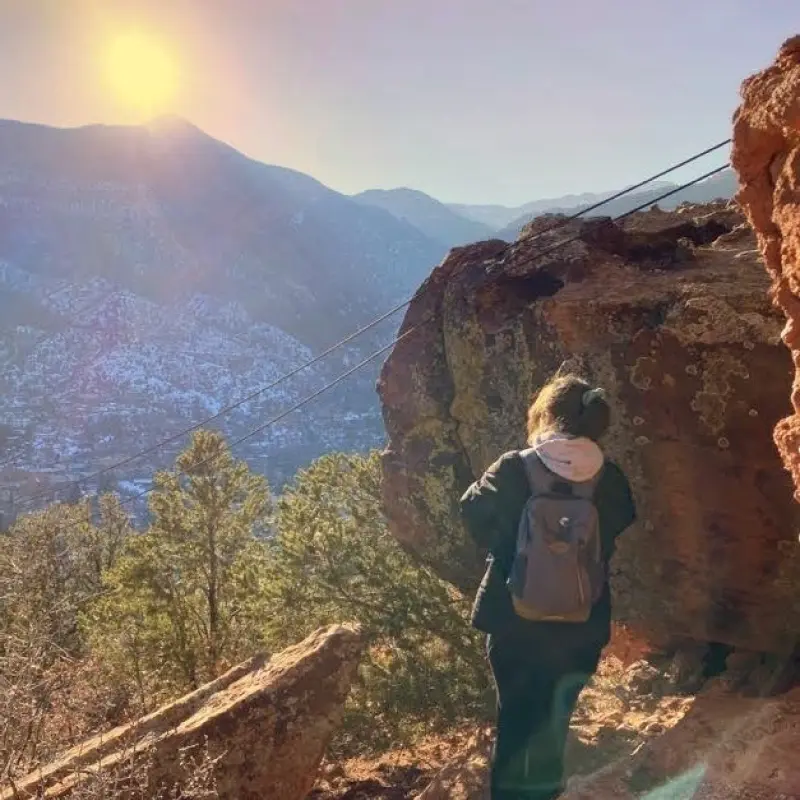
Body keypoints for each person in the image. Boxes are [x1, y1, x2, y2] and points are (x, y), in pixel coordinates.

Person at [459, 373, 636, 800]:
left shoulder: (514, 467)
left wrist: (511, 548)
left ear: (547, 413)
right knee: (554, 724)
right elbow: (621, 521)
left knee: (514, 723)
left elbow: (471, 511)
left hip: (513, 618)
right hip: (581, 620)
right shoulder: (609, 477)